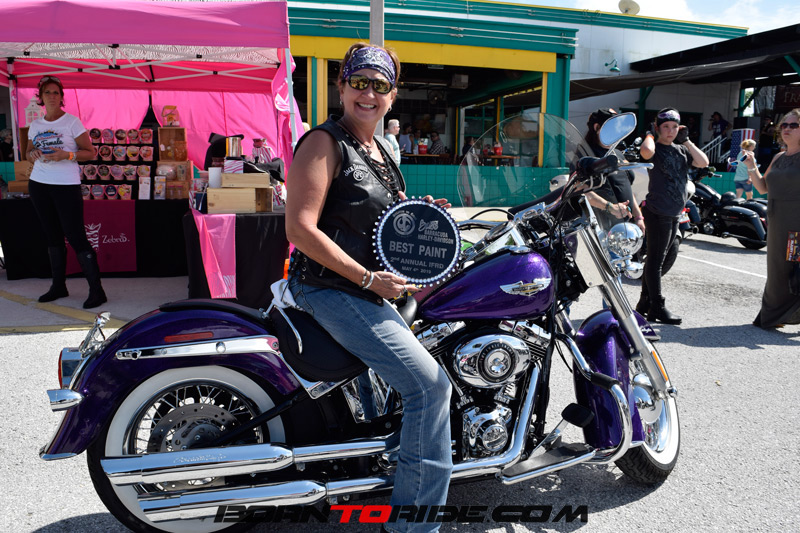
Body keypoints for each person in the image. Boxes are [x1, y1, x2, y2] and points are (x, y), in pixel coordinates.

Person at [285, 43, 452, 532]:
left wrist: (421, 215)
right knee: (430, 388)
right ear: (341, 87)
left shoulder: (380, 152)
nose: (368, 93)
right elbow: (300, 229)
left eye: (380, 85)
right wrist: (366, 278)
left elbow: (381, 223)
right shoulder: (324, 143)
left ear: (392, 96)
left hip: (365, 291)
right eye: (359, 82)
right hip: (330, 288)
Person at [26, 75, 107, 309]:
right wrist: (32, 154)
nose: (52, 96)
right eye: (47, 92)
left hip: (66, 186)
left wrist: (67, 155)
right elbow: (28, 153)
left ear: (61, 97)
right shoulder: (36, 125)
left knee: (75, 236)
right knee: (52, 236)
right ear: (40, 98)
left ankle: (97, 291)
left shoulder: (72, 122)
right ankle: (58, 286)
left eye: (56, 93)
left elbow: (90, 152)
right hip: (39, 184)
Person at [637, 108, 708, 325]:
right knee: (656, 260)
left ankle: (644, 304)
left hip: (675, 211)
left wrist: (687, 141)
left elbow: (703, 162)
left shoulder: (681, 150)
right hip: (658, 211)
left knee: (657, 259)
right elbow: (646, 153)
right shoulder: (655, 148)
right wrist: (650, 134)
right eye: (666, 127)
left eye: (675, 127)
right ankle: (657, 306)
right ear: (658, 128)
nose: (671, 131)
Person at [745, 108, 800, 329]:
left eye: (793, 125)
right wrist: (751, 166)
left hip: (796, 224)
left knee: (792, 269)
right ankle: (776, 315)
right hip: (777, 221)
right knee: (777, 269)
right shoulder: (778, 157)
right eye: (784, 125)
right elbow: (762, 188)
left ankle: (775, 315)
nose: (787, 129)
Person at [582, 108, 646, 234]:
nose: (617, 131)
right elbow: (582, 192)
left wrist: (638, 216)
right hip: (602, 227)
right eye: (612, 127)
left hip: (626, 226)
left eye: (618, 127)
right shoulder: (586, 155)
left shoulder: (617, 153)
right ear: (597, 127)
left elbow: (626, 186)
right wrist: (610, 207)